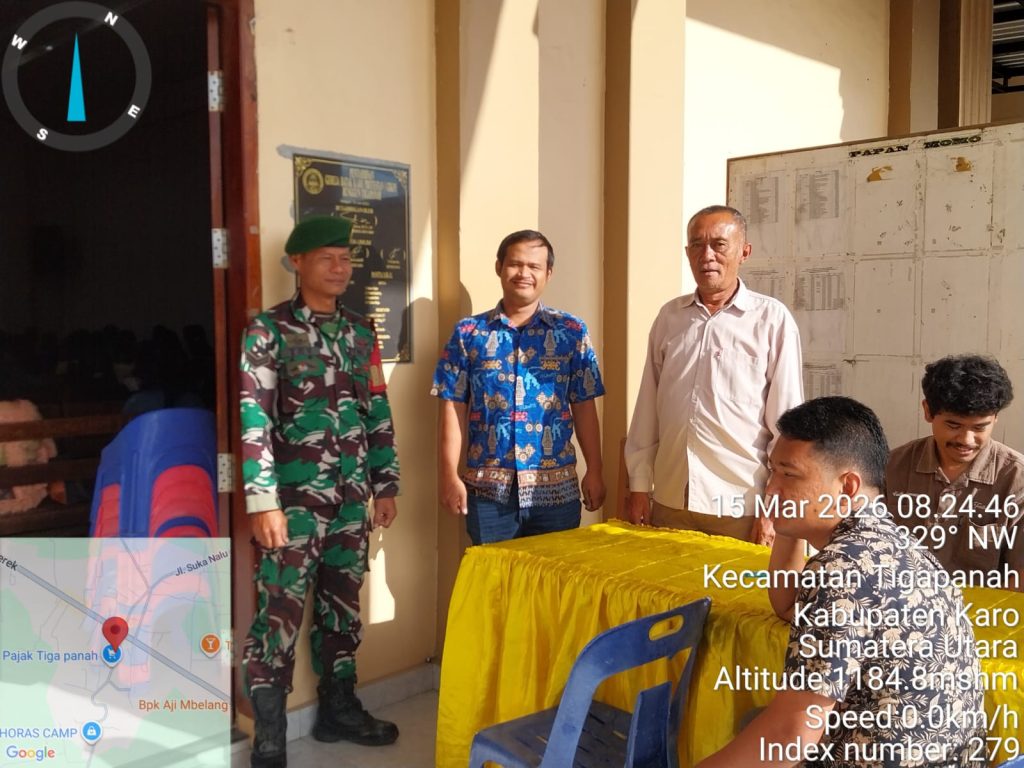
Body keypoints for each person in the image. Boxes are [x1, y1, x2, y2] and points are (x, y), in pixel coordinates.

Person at [699, 397, 985, 768]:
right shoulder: (892, 542)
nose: (771, 489)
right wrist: (788, 521)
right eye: (772, 472)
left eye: (789, 475)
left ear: (847, 487)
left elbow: (791, 735)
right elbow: (788, 605)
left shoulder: (840, 570)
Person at [239, 216, 401, 768]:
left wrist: (385, 484)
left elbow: (377, 411)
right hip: (292, 505)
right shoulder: (268, 332)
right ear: (297, 263)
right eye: (326, 258)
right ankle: (269, 734)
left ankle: (338, 709)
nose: (339, 268)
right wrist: (262, 501)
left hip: (352, 499)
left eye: (345, 258)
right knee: (278, 612)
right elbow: (254, 419)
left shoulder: (360, 332)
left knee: (342, 607)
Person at [624, 205, 803, 543]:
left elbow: (787, 424)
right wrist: (639, 487)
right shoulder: (670, 318)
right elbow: (648, 410)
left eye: (719, 245)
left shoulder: (771, 320)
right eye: (697, 245)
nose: (707, 255)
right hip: (672, 501)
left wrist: (773, 507)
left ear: (744, 252)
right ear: (687, 252)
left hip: (740, 507)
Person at [432, 229, 606, 544]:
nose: (524, 273)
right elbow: (453, 407)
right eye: (515, 264)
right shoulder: (468, 333)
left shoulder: (571, 331)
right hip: (488, 494)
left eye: (534, 266)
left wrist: (595, 469)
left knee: (553, 575)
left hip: (555, 494)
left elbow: (583, 406)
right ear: (499, 267)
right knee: (495, 575)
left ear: (548, 273)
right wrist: (448, 475)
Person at [886, 354, 1023, 590]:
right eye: (953, 425)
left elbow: (1020, 577)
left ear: (995, 418)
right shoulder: (891, 468)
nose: (966, 440)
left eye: (980, 427)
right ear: (928, 411)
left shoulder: (1016, 481)